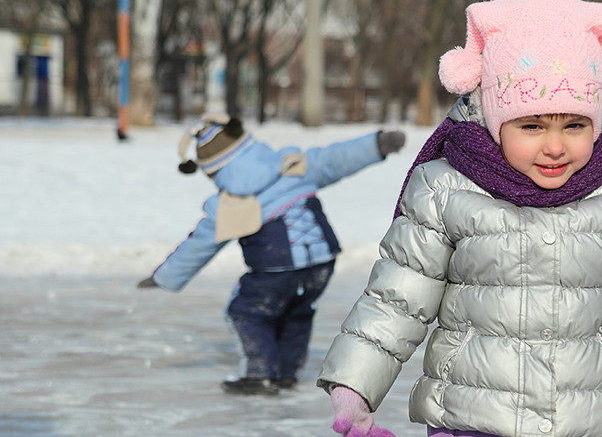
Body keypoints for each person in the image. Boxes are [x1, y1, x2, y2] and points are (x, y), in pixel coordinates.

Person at [317, 0, 602, 437]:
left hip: (590, 421)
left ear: (599, 122)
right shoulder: (446, 189)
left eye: (574, 125)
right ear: (494, 121)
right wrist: (354, 388)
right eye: (531, 126)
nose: (554, 146)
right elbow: (396, 300)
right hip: (473, 418)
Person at [137, 113, 406, 396]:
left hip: (275, 265)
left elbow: (198, 245)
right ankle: (287, 373)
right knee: (298, 313)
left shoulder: (230, 203)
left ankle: (260, 374)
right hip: (322, 261)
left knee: (245, 312)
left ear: (214, 170)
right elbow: (335, 158)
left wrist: (163, 277)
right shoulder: (293, 167)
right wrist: (377, 144)